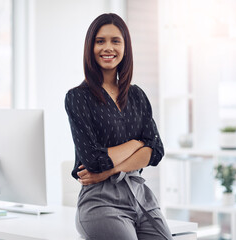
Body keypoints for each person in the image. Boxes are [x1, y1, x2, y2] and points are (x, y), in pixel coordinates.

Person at [65, 13, 173, 240]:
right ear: (90, 47)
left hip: (139, 195)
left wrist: (112, 169)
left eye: (116, 41)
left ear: (125, 48)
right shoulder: (78, 97)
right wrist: (138, 143)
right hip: (100, 202)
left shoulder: (137, 95)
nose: (108, 48)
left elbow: (156, 151)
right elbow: (94, 160)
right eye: (100, 41)